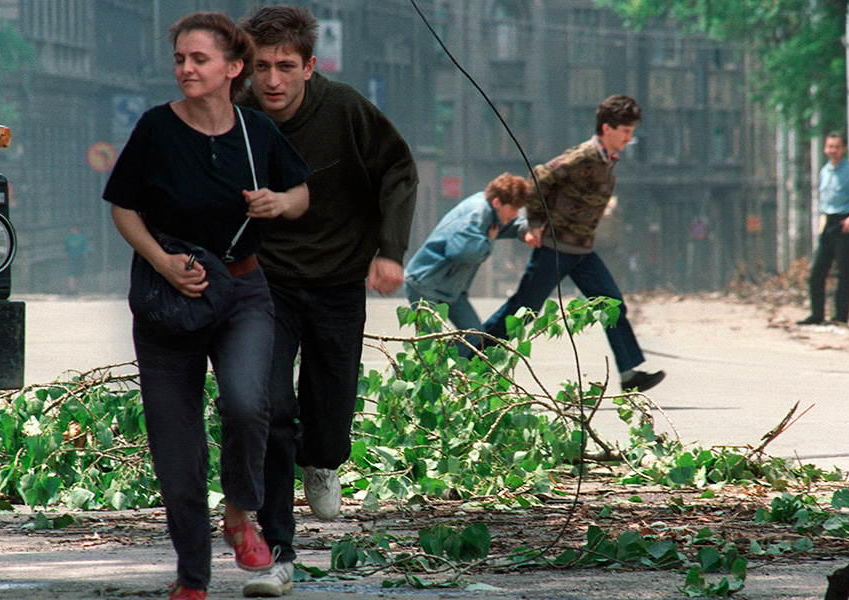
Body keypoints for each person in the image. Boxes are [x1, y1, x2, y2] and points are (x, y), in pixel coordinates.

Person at [102, 12, 310, 600]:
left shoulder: (255, 131)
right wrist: (164, 262)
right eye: (180, 59)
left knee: (250, 404)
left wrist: (278, 203)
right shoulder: (154, 130)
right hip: (169, 298)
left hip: (243, 290)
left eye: (199, 59)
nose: (186, 69)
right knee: (178, 450)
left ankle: (242, 513)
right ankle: (193, 577)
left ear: (232, 68)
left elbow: (301, 192)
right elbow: (123, 207)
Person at [238, 6, 418, 597]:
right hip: (265, 282)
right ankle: (278, 554)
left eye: (286, 66)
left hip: (340, 279)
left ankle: (323, 458)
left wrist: (390, 251)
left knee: (330, 408)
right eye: (261, 66)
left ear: (309, 67)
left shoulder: (343, 109)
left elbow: (398, 169)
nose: (273, 80)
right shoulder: (234, 117)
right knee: (267, 405)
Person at [480, 95, 665, 394]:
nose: (630, 138)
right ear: (607, 128)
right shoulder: (584, 156)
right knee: (524, 308)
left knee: (611, 303)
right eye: (626, 132)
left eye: (632, 132)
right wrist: (536, 224)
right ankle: (470, 352)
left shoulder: (607, 159)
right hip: (555, 248)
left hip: (581, 251)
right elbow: (538, 178)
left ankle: (630, 374)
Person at [404, 173, 529, 342]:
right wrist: (489, 241)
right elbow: (461, 252)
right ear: (497, 202)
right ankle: (414, 368)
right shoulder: (476, 214)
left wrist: (533, 228)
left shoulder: (492, 212)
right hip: (426, 285)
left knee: (474, 337)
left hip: (450, 289)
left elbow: (512, 225)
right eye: (513, 209)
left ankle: (443, 365)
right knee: (429, 346)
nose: (515, 214)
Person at [797, 131, 849, 325]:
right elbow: (825, 202)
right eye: (829, 147)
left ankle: (840, 316)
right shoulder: (825, 171)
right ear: (825, 149)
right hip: (828, 223)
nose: (832, 150)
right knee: (817, 271)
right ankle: (817, 314)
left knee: (843, 273)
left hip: (845, 224)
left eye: (836, 147)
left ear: (843, 149)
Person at [64, 226, 90, 294]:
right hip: (71, 258)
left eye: (75, 229)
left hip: (80, 258)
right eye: (72, 229)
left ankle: (78, 289)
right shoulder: (69, 238)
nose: (74, 230)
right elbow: (66, 248)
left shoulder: (82, 238)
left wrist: (85, 253)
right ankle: (71, 289)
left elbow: (85, 247)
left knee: (78, 274)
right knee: (71, 273)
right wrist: (66, 255)